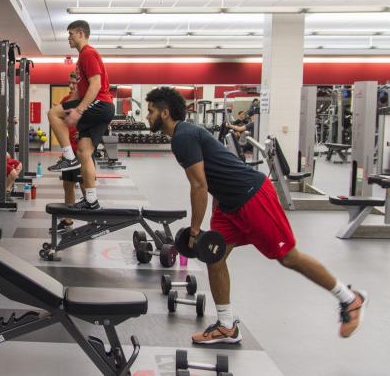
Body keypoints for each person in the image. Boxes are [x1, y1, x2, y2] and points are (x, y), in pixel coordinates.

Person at [145, 86, 367, 345]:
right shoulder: (183, 135)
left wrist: (195, 230)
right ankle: (227, 326)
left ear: (165, 112)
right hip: (228, 204)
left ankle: (350, 299)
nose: (147, 116)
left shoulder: (183, 136)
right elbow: (217, 171)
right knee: (214, 257)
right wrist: (218, 209)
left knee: (288, 258)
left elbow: (199, 185)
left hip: (252, 196)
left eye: (150, 111)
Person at [47, 20, 115, 210]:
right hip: (102, 107)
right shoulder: (81, 58)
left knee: (53, 113)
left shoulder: (88, 53)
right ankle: (92, 200)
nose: (68, 38)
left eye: (70, 34)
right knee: (84, 152)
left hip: (100, 103)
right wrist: (68, 106)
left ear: (80, 33)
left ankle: (68, 157)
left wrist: (78, 111)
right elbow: (79, 92)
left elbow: (96, 85)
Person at [58, 72, 86, 230]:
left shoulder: (86, 101)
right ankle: (68, 219)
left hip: (82, 150)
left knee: (85, 185)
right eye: (69, 83)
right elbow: (59, 121)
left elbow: (100, 124)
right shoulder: (65, 101)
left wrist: (83, 131)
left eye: (74, 83)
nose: (71, 86)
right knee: (68, 185)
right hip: (68, 150)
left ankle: (93, 219)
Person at [0, 110, 22, 202]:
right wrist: (3, 154)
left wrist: (3, 152)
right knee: (13, 173)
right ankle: (3, 192)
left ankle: (5, 191)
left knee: (18, 165)